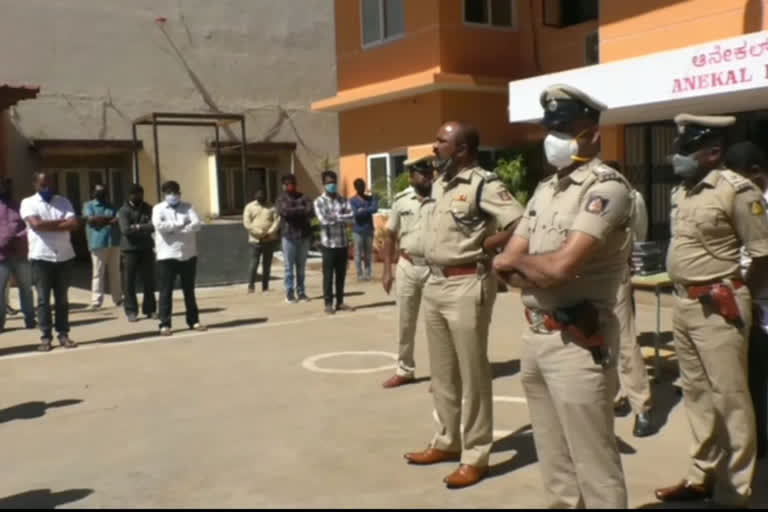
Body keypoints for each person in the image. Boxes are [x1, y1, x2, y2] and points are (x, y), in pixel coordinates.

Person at [493, 85, 630, 508]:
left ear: (591, 134)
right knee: (555, 466)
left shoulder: (607, 189)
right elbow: (505, 264)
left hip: (578, 340)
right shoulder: (546, 189)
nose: (554, 138)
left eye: (565, 129)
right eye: (551, 129)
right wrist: (533, 266)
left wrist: (528, 265)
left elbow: (558, 267)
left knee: (594, 465)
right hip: (536, 336)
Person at [654, 115, 768, 508]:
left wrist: (736, 295)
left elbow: (763, 256)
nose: (676, 158)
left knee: (731, 398)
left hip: (720, 306)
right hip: (684, 304)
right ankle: (700, 475)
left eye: (685, 150)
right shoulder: (682, 193)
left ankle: (735, 490)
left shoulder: (738, 192)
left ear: (713, 152)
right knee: (697, 394)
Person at [404, 122, 523, 489]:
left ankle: (475, 455)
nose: (435, 145)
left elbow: (520, 222)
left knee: (473, 375)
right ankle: (447, 440)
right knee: (442, 373)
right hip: (435, 282)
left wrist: (490, 244)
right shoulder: (440, 184)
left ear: (462, 149)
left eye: (442, 140)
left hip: (467, 283)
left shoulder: (484, 184)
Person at [604, 160, 655, 437]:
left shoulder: (631, 198)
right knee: (598, 340)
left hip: (615, 272)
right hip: (586, 276)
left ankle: (642, 407)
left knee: (625, 341)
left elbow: (639, 233)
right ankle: (613, 396)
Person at [726, 141, 768, 460]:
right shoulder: (743, 200)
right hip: (753, 300)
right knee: (753, 380)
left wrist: (746, 296)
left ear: (756, 173)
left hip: (759, 302)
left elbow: (764, 262)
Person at [380, 156, 435, 388]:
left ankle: (442, 374)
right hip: (407, 266)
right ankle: (404, 369)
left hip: (435, 268)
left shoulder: (442, 198)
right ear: (412, 177)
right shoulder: (401, 201)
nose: (426, 176)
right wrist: (386, 270)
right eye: (421, 173)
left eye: (428, 172)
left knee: (437, 324)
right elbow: (390, 235)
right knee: (405, 321)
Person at [20, 171, 79, 351]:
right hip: (41, 257)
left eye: (50, 184)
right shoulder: (28, 202)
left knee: (62, 299)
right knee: (43, 300)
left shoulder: (63, 201)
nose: (47, 188)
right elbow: (36, 225)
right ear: (35, 185)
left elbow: (73, 224)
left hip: (64, 256)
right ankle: (46, 337)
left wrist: (46, 225)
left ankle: (63, 334)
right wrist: (59, 223)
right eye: (43, 185)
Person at [152, 180, 207, 336]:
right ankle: (164, 324)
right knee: (165, 291)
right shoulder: (158, 209)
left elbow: (197, 224)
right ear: (164, 194)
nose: (173, 195)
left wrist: (179, 228)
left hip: (188, 255)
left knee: (189, 291)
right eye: (169, 192)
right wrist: (181, 223)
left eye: (175, 192)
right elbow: (160, 226)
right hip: (166, 255)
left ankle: (193, 321)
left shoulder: (188, 207)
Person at [314, 170, 355, 315]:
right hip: (328, 244)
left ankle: (340, 302)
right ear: (323, 184)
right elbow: (323, 220)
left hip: (342, 243)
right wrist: (342, 216)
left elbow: (352, 218)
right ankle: (328, 303)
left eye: (333, 182)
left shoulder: (343, 200)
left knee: (341, 275)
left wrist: (335, 216)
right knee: (328, 275)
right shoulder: (319, 201)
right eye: (328, 182)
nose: (331, 184)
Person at [0, 178, 35, 332]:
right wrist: (4, 242)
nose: (4, 189)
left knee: (26, 288)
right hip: (1, 256)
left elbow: (28, 227)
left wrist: (19, 239)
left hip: (20, 255)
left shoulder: (20, 206)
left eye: (6, 186)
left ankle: (30, 320)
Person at [117, 184, 156, 322]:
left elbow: (154, 226)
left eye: (141, 194)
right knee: (129, 282)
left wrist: (137, 226)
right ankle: (131, 311)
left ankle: (150, 309)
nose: (139, 197)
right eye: (135, 194)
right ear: (129, 195)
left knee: (149, 281)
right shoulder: (123, 210)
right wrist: (143, 229)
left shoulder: (148, 208)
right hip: (129, 250)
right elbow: (125, 230)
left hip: (146, 248)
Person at [83, 184, 122, 309]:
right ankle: (96, 300)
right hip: (97, 242)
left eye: (103, 191)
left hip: (114, 242)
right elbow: (91, 220)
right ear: (93, 193)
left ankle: (118, 298)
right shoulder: (88, 205)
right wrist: (109, 219)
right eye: (98, 191)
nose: (100, 193)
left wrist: (102, 220)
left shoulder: (113, 206)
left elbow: (118, 220)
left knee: (115, 272)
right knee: (98, 272)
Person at [276, 175, 313, 304]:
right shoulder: (281, 199)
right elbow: (284, 212)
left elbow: (310, 211)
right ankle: (289, 293)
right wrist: (300, 211)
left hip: (303, 236)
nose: (290, 186)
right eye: (287, 184)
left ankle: (301, 292)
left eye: (292, 183)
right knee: (288, 267)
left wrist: (294, 212)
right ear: (283, 186)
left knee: (301, 266)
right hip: (288, 237)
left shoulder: (304, 197)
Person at [243, 188, 280, 294]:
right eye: (258, 195)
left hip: (269, 240)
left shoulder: (272, 207)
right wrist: (260, 233)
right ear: (255, 196)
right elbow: (247, 223)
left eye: (262, 195)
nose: (260, 197)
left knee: (267, 264)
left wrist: (269, 233)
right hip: (255, 240)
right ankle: (251, 286)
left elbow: (277, 221)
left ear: (266, 196)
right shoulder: (249, 207)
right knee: (254, 263)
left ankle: (265, 287)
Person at [350, 178, 379, 281]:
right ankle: (359, 274)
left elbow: (375, 208)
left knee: (368, 253)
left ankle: (367, 274)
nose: (361, 188)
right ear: (356, 188)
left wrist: (363, 210)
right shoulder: (352, 200)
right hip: (358, 230)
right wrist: (366, 210)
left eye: (362, 186)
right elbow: (356, 214)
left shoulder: (370, 198)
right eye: (359, 187)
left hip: (369, 229)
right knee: (358, 253)